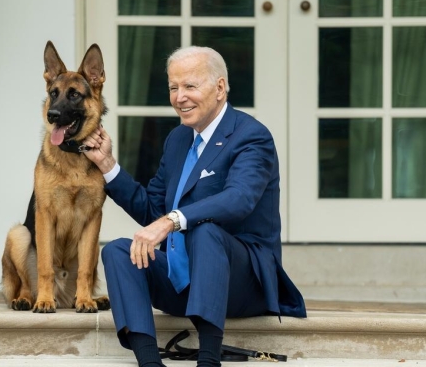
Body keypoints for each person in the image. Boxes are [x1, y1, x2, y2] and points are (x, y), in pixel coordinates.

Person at [82, 46, 306, 367]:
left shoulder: (251, 136)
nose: (179, 97)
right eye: (173, 87)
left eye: (190, 86)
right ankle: (148, 361)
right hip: (185, 281)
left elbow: (239, 199)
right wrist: (107, 165)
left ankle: (208, 358)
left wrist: (172, 220)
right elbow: (153, 212)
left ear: (219, 88)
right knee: (119, 251)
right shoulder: (178, 139)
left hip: (241, 284)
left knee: (206, 231)